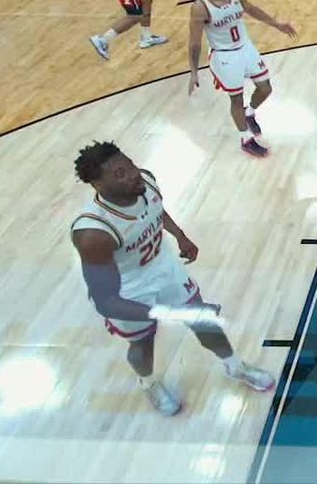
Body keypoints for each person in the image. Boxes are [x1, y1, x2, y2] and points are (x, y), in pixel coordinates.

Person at [70, 141, 276, 415]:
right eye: (119, 174)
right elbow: (106, 302)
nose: (132, 174)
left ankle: (235, 366)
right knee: (142, 343)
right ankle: (149, 383)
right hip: (127, 291)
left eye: (129, 164)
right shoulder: (94, 233)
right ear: (98, 185)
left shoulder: (145, 182)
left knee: (205, 322)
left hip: (163, 266)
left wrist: (179, 235)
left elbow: (156, 210)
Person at [186, 0, 297, 158]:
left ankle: (250, 113)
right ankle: (245, 139)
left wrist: (276, 24)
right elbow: (194, 42)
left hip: (245, 47)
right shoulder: (200, 7)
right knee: (235, 98)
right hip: (225, 56)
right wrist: (193, 72)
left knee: (265, 88)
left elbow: (251, 9)